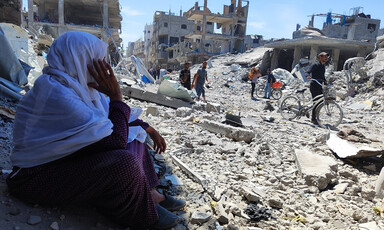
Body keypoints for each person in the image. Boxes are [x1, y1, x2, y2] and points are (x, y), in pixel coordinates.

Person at [6, 31, 185, 229]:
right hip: (35, 178)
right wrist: (117, 95)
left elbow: (114, 120)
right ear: (79, 59)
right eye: (96, 62)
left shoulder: (78, 87)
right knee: (124, 162)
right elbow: (114, 138)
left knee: (134, 139)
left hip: (65, 161)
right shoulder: (55, 92)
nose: (102, 69)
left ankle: (149, 194)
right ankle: (141, 213)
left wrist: (147, 127)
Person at [306, 51, 328, 125]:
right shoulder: (315, 65)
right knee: (316, 102)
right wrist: (308, 76)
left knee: (320, 102)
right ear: (320, 57)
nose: (326, 58)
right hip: (314, 86)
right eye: (324, 56)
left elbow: (322, 76)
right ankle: (313, 119)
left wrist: (325, 81)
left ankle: (313, 114)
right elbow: (307, 72)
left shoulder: (323, 66)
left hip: (320, 86)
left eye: (326, 57)